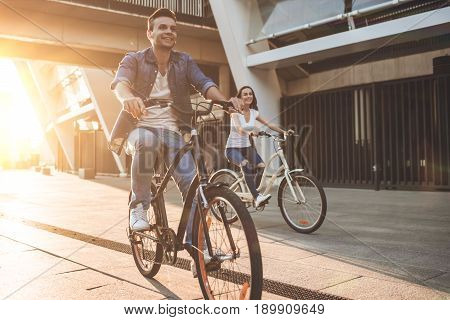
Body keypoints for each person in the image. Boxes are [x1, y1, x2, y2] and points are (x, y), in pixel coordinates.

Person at [110, 9, 239, 252]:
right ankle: (139, 207)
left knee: (193, 185)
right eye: (163, 27)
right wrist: (127, 98)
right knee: (147, 141)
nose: (169, 31)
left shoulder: (184, 61)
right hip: (140, 128)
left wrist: (224, 102)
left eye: (173, 28)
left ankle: (197, 250)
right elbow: (121, 83)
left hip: (174, 133)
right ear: (150, 33)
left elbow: (204, 83)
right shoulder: (134, 59)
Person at [225, 85, 289, 208]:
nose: (248, 96)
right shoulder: (235, 112)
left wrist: (283, 131)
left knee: (261, 166)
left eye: (250, 94)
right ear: (240, 97)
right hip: (232, 149)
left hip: (246, 148)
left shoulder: (254, 113)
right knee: (244, 164)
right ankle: (256, 196)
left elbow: (269, 124)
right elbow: (239, 128)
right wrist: (250, 131)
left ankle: (254, 193)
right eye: (245, 94)